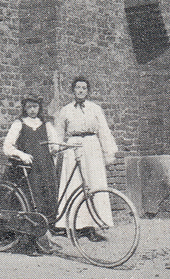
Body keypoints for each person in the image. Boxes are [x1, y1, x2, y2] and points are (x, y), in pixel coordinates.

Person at [53, 76, 116, 240]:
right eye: (77, 88)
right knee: (73, 183)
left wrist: (108, 152)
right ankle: (71, 225)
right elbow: (59, 133)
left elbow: (103, 130)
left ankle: (91, 226)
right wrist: (57, 151)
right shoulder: (65, 110)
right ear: (73, 90)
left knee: (92, 183)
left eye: (84, 88)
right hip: (73, 147)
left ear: (88, 91)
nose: (80, 91)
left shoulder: (95, 109)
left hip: (92, 147)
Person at [2, 93, 60, 254]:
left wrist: (55, 148)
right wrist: (22, 155)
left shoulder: (46, 125)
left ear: (39, 107)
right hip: (27, 170)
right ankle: (27, 243)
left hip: (45, 168)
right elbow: (7, 146)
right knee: (30, 202)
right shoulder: (19, 124)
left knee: (46, 199)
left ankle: (43, 239)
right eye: (29, 107)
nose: (32, 110)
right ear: (24, 108)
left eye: (35, 106)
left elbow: (54, 144)